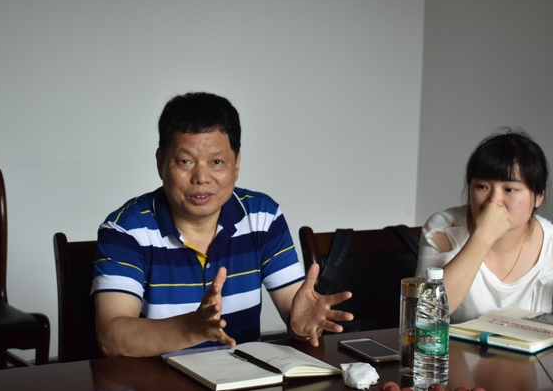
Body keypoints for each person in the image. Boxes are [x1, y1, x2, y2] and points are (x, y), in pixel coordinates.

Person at [91, 92, 353, 357]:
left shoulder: (262, 217)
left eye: (216, 162)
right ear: (161, 162)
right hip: (157, 377)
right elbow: (111, 338)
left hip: (244, 376)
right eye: (185, 161)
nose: (201, 178)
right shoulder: (126, 230)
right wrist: (190, 329)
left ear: (236, 164)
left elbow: (298, 312)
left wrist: (302, 326)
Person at [415, 128, 553, 323]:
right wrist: (483, 236)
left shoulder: (549, 242)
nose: (493, 200)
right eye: (482, 187)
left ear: (538, 196)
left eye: (510, 189)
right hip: (455, 344)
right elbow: (427, 315)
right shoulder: (444, 228)